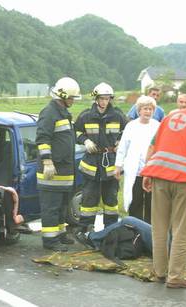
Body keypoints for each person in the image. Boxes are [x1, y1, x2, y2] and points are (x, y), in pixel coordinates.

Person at [141, 92, 186, 289]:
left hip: (159, 175)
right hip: (183, 180)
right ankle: (175, 276)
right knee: (181, 229)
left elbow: (152, 146)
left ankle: (159, 272)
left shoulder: (169, 117)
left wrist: (147, 173)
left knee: (159, 227)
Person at [74, 82, 127, 231]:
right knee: (89, 199)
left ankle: (110, 229)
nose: (104, 101)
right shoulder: (86, 116)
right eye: (101, 98)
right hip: (91, 164)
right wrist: (86, 140)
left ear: (110, 99)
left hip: (111, 163)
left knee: (111, 199)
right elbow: (76, 132)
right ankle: (84, 229)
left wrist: (119, 141)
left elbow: (127, 132)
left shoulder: (118, 115)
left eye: (107, 98)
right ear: (96, 98)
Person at [35, 77, 80, 251]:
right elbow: (42, 138)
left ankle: (60, 234)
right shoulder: (49, 112)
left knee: (62, 206)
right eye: (72, 98)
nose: (73, 101)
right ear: (63, 96)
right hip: (51, 172)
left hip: (64, 171)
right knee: (51, 208)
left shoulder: (63, 113)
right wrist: (47, 161)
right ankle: (50, 241)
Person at [115, 95, 160, 223]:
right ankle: (134, 230)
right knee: (135, 201)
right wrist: (118, 166)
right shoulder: (131, 126)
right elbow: (123, 147)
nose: (148, 112)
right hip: (135, 171)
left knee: (152, 203)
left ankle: (150, 230)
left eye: (150, 109)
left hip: (152, 171)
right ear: (139, 110)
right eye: (145, 108)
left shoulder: (158, 126)